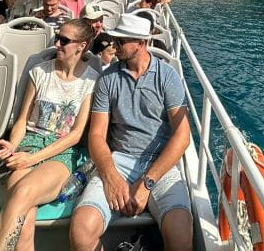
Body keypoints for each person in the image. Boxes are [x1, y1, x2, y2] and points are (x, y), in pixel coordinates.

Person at [70, 13, 192, 251]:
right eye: (114, 40)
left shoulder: (168, 77)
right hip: (118, 162)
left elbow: (182, 135)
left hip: (160, 166)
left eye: (121, 41)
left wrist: (146, 183)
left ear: (141, 43)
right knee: (81, 230)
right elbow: (97, 135)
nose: (114, 46)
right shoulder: (108, 79)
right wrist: (110, 175)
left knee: (181, 236)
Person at [0, 19, 99, 251]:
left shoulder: (92, 80)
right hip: (30, 142)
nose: (57, 43)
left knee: (23, 193)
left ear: (81, 46)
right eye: (57, 37)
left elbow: (76, 135)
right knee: (25, 219)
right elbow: (22, 121)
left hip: (63, 150)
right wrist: (12, 146)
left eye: (64, 40)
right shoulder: (40, 72)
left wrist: (31, 159)